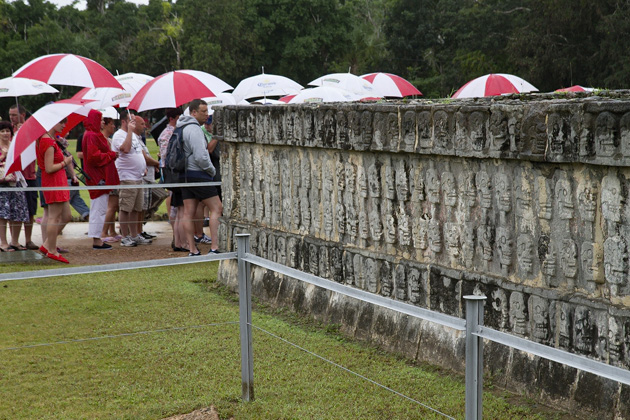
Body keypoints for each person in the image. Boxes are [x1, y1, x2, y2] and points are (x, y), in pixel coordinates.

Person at [176, 99, 221, 256]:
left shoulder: (180, 127)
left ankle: (192, 249)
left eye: (207, 111)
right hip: (198, 174)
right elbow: (201, 156)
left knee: (189, 212)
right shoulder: (194, 129)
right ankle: (215, 247)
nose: (206, 114)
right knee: (217, 208)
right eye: (203, 111)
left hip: (185, 175)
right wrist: (211, 170)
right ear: (193, 112)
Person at [111, 112, 151, 247]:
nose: (133, 122)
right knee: (126, 208)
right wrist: (129, 131)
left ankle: (134, 235)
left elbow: (138, 152)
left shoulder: (133, 135)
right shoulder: (119, 135)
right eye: (131, 120)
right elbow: (125, 149)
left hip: (138, 177)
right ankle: (125, 237)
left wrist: (143, 167)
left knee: (136, 208)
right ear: (124, 121)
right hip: (127, 177)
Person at [37, 119, 73, 263]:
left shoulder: (51, 139)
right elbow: (49, 168)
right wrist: (65, 162)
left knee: (66, 215)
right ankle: (52, 250)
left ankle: (47, 245)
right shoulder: (47, 141)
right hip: (53, 182)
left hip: (59, 181)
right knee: (54, 217)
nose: (64, 125)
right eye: (61, 122)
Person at [83, 109, 118, 250]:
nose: (103, 122)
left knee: (100, 207)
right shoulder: (91, 135)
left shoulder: (92, 134)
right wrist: (111, 155)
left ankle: (97, 237)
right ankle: (96, 239)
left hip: (100, 176)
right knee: (99, 208)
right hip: (98, 177)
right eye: (101, 119)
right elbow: (93, 156)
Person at [9, 104, 38, 250]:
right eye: (10, 115)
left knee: (30, 209)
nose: (12, 118)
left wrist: (23, 133)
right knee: (16, 210)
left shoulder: (30, 129)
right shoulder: (8, 131)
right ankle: (14, 240)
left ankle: (28, 239)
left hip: (29, 175)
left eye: (14, 115)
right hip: (15, 176)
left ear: (23, 114)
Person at [158, 108, 187, 251]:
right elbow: (168, 157)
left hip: (171, 173)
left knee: (177, 209)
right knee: (178, 209)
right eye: (179, 117)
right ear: (172, 118)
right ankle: (179, 240)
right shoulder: (168, 134)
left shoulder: (172, 133)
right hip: (173, 173)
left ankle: (178, 239)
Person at [0, 121, 30, 252]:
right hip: (3, 184)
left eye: (7, 131)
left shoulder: (14, 146)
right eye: (2, 131)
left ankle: (15, 241)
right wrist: (4, 155)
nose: (5, 133)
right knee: (3, 214)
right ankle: (3, 243)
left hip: (15, 182)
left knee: (18, 211)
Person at [98, 116, 121, 242]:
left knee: (113, 204)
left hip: (112, 173)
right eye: (111, 124)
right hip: (108, 175)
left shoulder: (109, 140)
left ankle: (111, 230)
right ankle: (103, 232)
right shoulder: (103, 140)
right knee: (111, 205)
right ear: (105, 125)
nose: (113, 126)